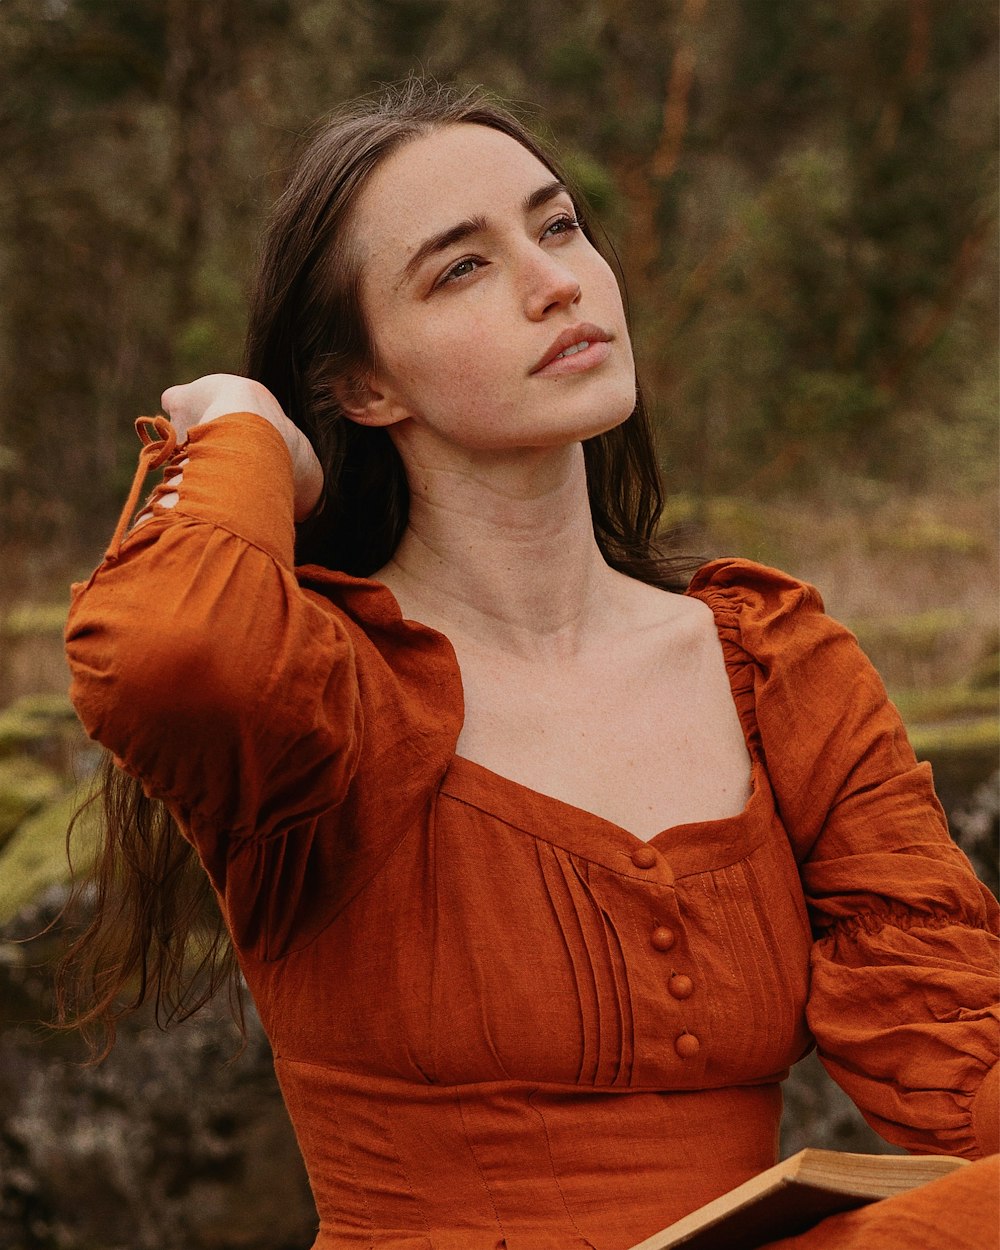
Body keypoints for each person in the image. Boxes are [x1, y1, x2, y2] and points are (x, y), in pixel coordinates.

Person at [63, 79, 998, 1249]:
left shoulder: (775, 660)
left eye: (557, 226)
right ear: (362, 384)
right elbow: (165, 649)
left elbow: (955, 1054)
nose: (557, 279)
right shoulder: (318, 691)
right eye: (461, 266)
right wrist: (239, 427)